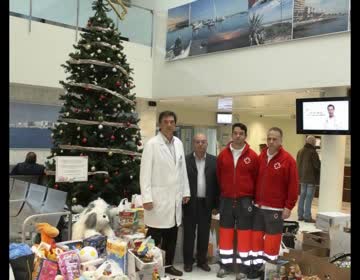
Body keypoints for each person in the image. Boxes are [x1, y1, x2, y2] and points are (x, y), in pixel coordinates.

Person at [140, 111, 190, 277]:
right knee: (154, 237)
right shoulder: (152, 144)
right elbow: (144, 174)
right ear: (160, 125)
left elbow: (182, 170)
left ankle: (168, 266)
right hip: (157, 199)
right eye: (166, 122)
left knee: (172, 237)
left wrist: (186, 191)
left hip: (174, 199)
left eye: (172, 122)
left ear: (175, 125)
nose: (169, 125)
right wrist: (146, 198)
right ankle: (146, 266)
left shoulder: (178, 143)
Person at [249, 127, 299, 279]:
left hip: (275, 209)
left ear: (281, 141)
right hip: (258, 207)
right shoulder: (261, 156)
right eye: (269, 138)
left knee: (272, 242)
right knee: (256, 240)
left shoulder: (288, 160)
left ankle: (269, 271)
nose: (271, 142)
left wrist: (288, 206)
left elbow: (293, 185)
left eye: (274, 139)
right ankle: (256, 267)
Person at [216, 123, 259, 280]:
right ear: (232, 135)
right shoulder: (223, 155)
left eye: (241, 133)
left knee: (244, 235)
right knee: (225, 234)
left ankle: (244, 269)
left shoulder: (253, 156)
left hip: (245, 201)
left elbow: (256, 178)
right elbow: (219, 177)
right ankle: (224, 265)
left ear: (245, 136)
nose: (238, 136)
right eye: (235, 133)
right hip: (227, 200)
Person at [183, 133, 219, 273]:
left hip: (206, 203)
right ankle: (187, 262)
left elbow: (217, 184)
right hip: (189, 203)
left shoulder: (213, 161)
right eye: (197, 142)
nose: (200, 144)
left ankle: (201, 261)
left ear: (207, 144)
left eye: (203, 142)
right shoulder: (185, 160)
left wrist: (216, 205)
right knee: (189, 235)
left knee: (204, 234)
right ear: (193, 144)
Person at [296, 135, 321, 223]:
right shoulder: (313, 152)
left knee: (302, 196)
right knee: (309, 197)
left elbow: (298, 164)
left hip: (302, 178)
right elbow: (317, 166)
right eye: (314, 142)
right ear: (313, 142)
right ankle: (307, 216)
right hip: (311, 178)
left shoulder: (300, 151)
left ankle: (300, 215)